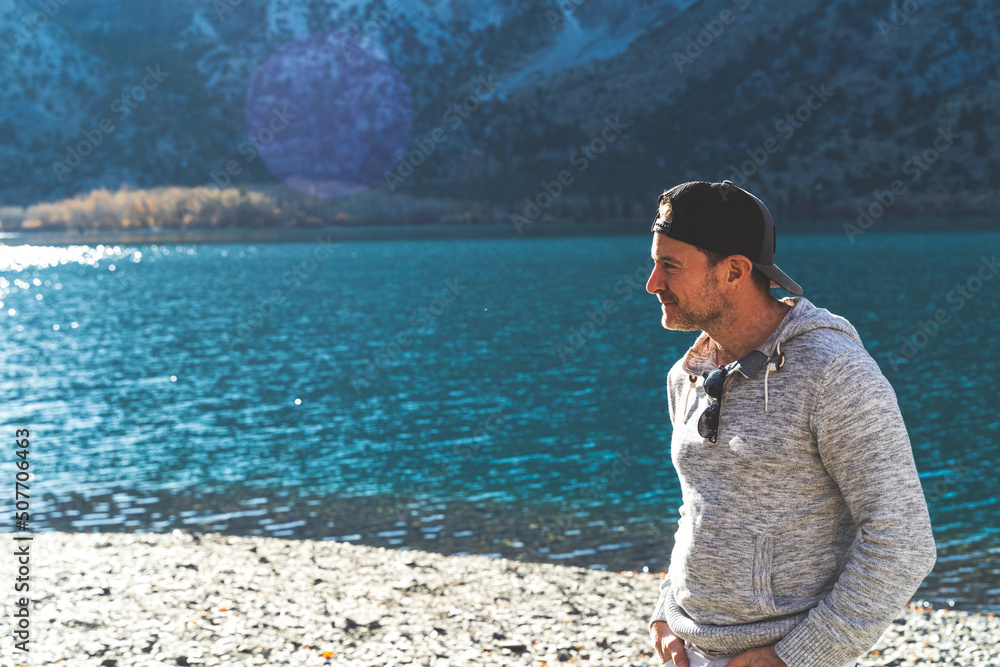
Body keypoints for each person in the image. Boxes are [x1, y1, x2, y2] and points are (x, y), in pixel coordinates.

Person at [643, 180, 937, 667]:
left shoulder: (834, 373)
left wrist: (794, 657)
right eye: (655, 263)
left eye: (670, 266)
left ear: (735, 270)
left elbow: (902, 539)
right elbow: (700, 509)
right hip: (687, 652)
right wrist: (665, 612)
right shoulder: (687, 377)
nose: (652, 283)